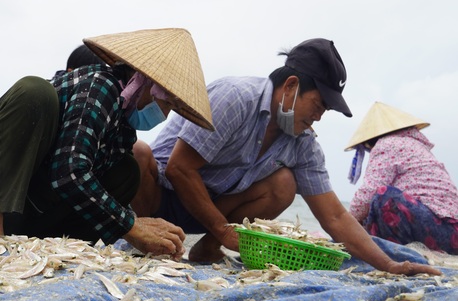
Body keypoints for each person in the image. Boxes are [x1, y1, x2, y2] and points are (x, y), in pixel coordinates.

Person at [130, 38, 441, 276]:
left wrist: (388, 264)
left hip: (210, 207)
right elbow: (179, 169)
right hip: (162, 193)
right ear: (291, 87)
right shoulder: (236, 97)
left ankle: (206, 251)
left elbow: (334, 215)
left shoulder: (303, 143)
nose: (318, 117)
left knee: (283, 183)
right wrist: (224, 230)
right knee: (138, 153)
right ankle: (145, 240)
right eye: (318, 105)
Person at [0, 28, 214, 259]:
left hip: (23, 213)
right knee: (34, 92)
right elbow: (69, 172)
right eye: (166, 103)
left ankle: (59, 247)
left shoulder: (123, 127)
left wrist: (133, 226)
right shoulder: (100, 86)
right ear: (143, 84)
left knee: (126, 171)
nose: (165, 114)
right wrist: (130, 224)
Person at [346, 101, 458, 254]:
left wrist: (343, 224)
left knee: (383, 197)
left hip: (442, 230)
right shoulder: (415, 145)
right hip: (449, 231)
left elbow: (366, 196)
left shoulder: (387, 144)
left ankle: (395, 256)